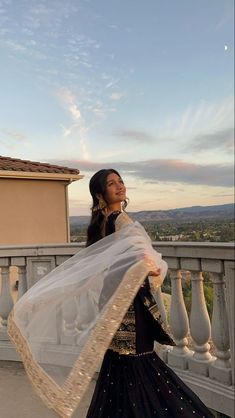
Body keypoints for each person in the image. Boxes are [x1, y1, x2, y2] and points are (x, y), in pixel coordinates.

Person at [85, 168, 214, 418]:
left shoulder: (101, 223)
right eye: (112, 184)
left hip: (115, 303)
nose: (120, 186)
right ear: (101, 194)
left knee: (122, 365)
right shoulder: (120, 221)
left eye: (120, 181)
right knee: (139, 361)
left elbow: (108, 266)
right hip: (131, 305)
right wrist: (152, 266)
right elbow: (138, 261)